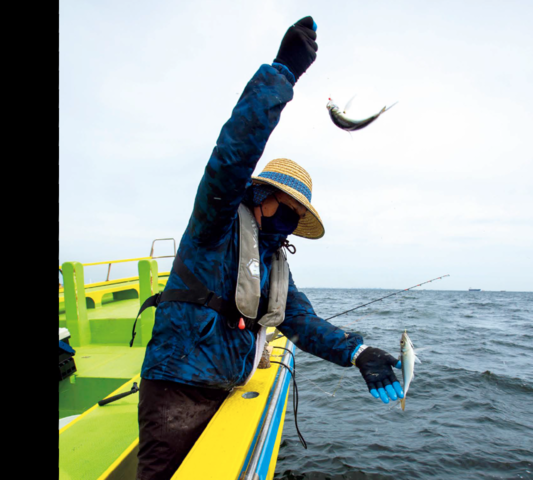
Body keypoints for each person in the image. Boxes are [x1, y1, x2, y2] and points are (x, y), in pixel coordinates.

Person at [135, 16, 404, 480]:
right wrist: (283, 72)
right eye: (289, 208)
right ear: (262, 196)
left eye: (300, 216)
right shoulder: (214, 224)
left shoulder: (273, 257)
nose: (293, 221)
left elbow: (301, 321)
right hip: (177, 389)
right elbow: (233, 152)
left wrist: (359, 353)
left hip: (227, 388)